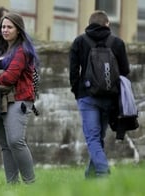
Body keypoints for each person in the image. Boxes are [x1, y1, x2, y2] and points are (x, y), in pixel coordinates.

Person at [69, 10, 130, 178]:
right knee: (98, 137)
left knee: (93, 138)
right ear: (107, 24)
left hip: (87, 96)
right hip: (110, 98)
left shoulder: (79, 41)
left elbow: (73, 72)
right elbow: (125, 71)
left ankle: (103, 172)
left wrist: (78, 91)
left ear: (89, 24)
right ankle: (90, 175)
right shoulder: (117, 43)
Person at [0, 12, 38, 184]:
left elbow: (11, 77)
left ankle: (30, 183)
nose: (5, 30)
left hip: (19, 99)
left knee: (15, 141)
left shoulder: (22, 51)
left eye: (9, 27)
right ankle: (12, 184)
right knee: (5, 144)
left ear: (18, 30)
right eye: (3, 27)